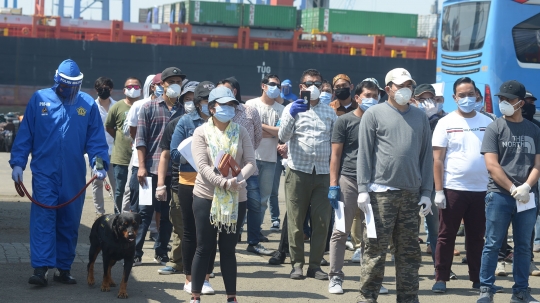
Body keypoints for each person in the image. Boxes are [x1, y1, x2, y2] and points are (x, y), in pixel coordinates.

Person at [10, 59, 109, 286]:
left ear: (78, 85)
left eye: (71, 87)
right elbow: (26, 134)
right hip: (45, 172)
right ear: (57, 81)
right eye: (64, 86)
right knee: (44, 218)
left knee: (69, 220)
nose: (67, 90)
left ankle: (63, 268)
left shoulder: (87, 105)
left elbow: (96, 141)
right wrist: (18, 163)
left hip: (73, 174)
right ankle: (41, 268)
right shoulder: (40, 99)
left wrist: (99, 165)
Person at [356, 68, 433, 303]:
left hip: (411, 195)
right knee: (375, 252)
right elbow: (365, 155)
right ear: (388, 88)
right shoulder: (374, 114)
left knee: (409, 253)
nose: (405, 89)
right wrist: (362, 189)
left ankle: (408, 299)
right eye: (400, 85)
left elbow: (426, 157)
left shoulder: (420, 117)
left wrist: (427, 192)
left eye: (409, 84)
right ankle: (367, 298)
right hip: (381, 194)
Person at [190, 86, 256, 303]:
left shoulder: (241, 131)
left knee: (228, 249)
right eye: (224, 105)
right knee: (204, 247)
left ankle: (231, 297)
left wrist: (235, 182)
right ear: (211, 108)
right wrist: (224, 183)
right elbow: (202, 166)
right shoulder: (201, 132)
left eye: (232, 105)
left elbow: (250, 163)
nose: (228, 109)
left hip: (237, 197)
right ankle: (196, 295)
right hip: (206, 196)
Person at [477, 80, 540, 303]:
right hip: (499, 195)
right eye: (501, 98)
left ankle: (521, 291)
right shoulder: (495, 127)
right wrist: (514, 188)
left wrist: (526, 187)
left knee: (524, 247)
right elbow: (492, 165)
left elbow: (538, 165)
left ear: (521, 103)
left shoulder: (534, 130)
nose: (503, 102)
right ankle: (486, 289)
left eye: (508, 99)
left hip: (527, 197)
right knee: (492, 243)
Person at [430, 77, 493, 293]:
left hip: (482, 189)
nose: (467, 98)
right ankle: (441, 278)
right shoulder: (445, 123)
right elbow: (438, 159)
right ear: (454, 98)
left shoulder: (488, 122)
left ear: (477, 95)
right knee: (446, 236)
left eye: (470, 94)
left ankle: (477, 278)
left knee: (477, 237)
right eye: (462, 95)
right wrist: (439, 191)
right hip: (453, 188)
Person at [278, 68, 337, 280]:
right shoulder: (291, 109)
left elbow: (334, 143)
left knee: (322, 221)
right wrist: (292, 115)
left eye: (318, 84)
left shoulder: (329, 112)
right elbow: (283, 137)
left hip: (322, 172)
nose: (314, 87)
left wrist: (334, 177)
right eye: (310, 83)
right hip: (298, 171)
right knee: (295, 220)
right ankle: (297, 265)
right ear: (301, 87)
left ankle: (315, 266)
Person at [328, 79, 380, 294]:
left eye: (375, 96)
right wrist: (333, 184)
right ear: (357, 98)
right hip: (348, 180)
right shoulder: (345, 121)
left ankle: (370, 280)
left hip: (375, 183)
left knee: (374, 235)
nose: (372, 99)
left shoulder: (381, 121)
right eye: (367, 95)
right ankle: (335, 277)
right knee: (341, 231)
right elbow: (336, 155)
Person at [134, 67, 185, 266]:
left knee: (167, 214)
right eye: (171, 81)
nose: (175, 85)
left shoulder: (184, 110)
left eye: (178, 81)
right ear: (161, 84)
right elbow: (140, 140)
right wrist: (141, 166)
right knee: (144, 212)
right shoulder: (148, 107)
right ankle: (136, 251)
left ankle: (161, 251)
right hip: (149, 169)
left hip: (174, 171)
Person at [170, 81, 216, 294]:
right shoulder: (185, 122)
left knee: (210, 232)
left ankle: (205, 278)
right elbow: (174, 154)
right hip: (188, 181)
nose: (210, 105)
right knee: (190, 232)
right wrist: (196, 151)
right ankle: (189, 278)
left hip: (215, 184)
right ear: (198, 103)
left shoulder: (222, 123)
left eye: (213, 101)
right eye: (206, 101)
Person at [155, 81, 199, 276]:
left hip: (207, 183)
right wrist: (160, 185)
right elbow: (165, 155)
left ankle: (199, 264)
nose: (190, 103)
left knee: (200, 225)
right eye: (187, 99)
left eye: (194, 99)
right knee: (179, 222)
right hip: (179, 182)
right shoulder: (176, 124)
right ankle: (177, 261)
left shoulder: (214, 125)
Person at [218, 79, 265, 245]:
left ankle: (253, 241)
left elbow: (258, 137)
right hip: (224, 170)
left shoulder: (249, 111)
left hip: (247, 168)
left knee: (254, 205)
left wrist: (247, 153)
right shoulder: (218, 113)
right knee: (227, 205)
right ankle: (229, 239)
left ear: (234, 92)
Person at [245, 74, 284, 254]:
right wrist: (270, 131)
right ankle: (240, 231)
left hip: (270, 158)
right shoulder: (251, 105)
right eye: (272, 84)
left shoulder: (282, 109)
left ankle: (256, 230)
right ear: (263, 85)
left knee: (263, 199)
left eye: (278, 85)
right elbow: (249, 130)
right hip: (250, 157)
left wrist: (260, 127)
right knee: (245, 197)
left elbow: (281, 133)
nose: (275, 87)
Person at [412, 84, 441, 259]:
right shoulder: (410, 118)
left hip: (432, 180)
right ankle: (410, 264)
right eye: (422, 99)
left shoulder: (442, 120)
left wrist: (433, 118)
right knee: (409, 225)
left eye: (430, 99)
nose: (427, 103)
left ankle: (440, 266)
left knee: (435, 225)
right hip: (411, 178)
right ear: (414, 100)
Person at [105, 76, 141, 213]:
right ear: (124, 90)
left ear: (141, 90)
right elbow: (109, 126)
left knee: (138, 190)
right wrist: (120, 138)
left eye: (136, 87)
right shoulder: (117, 107)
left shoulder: (145, 105)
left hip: (139, 158)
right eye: (130, 87)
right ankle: (118, 216)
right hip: (121, 157)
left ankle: (137, 217)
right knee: (119, 190)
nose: (133, 89)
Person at [92, 76, 117, 218]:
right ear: (96, 90)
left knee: (116, 185)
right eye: (101, 89)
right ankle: (99, 212)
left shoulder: (117, 106)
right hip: (99, 152)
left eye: (106, 88)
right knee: (97, 182)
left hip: (114, 152)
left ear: (111, 89)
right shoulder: (92, 106)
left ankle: (117, 211)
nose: (104, 91)